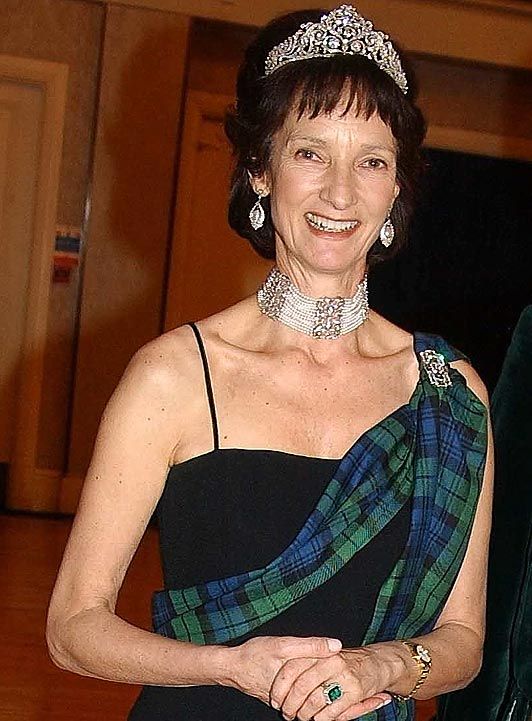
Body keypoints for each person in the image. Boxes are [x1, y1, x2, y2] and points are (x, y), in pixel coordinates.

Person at [47, 6, 493, 721]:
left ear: (395, 190)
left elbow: (464, 640)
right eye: (311, 153)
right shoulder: (173, 376)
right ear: (260, 169)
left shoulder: (449, 391)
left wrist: (384, 663)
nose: (341, 192)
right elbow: (73, 627)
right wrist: (229, 667)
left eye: (372, 161)